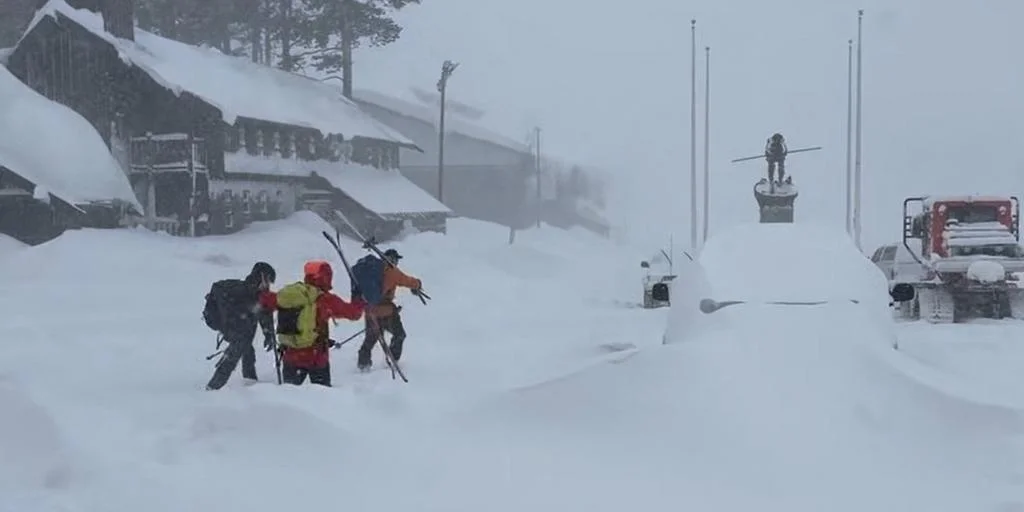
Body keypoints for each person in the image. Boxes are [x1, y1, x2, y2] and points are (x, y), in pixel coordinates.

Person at [259, 260, 364, 386]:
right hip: (317, 358)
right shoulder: (325, 299)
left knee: (289, 397)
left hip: (291, 355)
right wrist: (358, 298)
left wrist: (263, 290)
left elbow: (265, 301)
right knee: (322, 398)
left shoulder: (290, 295)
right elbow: (354, 313)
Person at [203, 262, 277, 391]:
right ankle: (213, 387)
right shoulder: (243, 290)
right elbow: (261, 312)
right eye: (268, 280)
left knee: (247, 350)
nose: (268, 285)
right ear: (262, 276)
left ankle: (249, 383)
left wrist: (268, 333)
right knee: (236, 352)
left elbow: (264, 314)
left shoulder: (257, 293)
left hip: (240, 329)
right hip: (234, 328)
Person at [356, 249, 423, 371]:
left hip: (370, 310)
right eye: (396, 259)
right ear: (391, 259)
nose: (397, 262)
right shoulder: (391, 271)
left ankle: (363, 363)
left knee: (371, 339)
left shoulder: (371, 273)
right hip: (387, 311)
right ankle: (392, 358)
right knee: (399, 334)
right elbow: (407, 280)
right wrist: (418, 284)